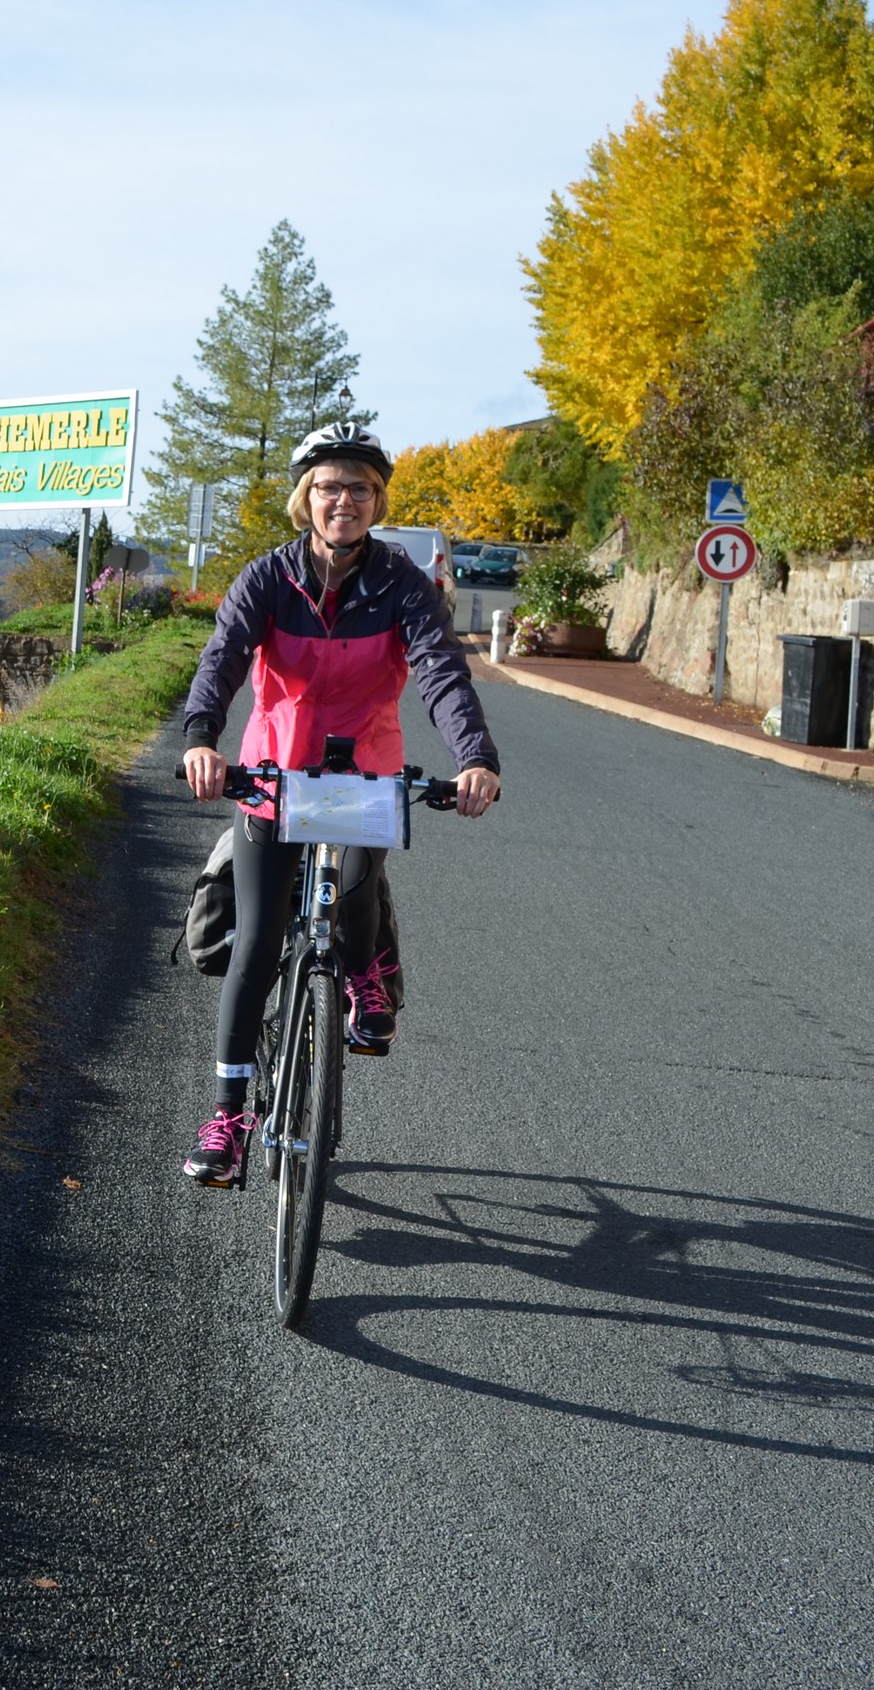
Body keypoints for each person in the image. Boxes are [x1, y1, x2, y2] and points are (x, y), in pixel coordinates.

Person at [177, 421, 501, 1187]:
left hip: (363, 774)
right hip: (272, 775)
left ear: (376, 500)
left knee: (357, 896)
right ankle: (228, 1118)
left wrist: (475, 758)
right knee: (255, 945)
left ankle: (367, 971)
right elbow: (222, 657)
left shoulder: (401, 585)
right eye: (329, 487)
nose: (343, 500)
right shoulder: (267, 579)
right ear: (306, 498)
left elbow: (441, 673)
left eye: (359, 488)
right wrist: (200, 737)